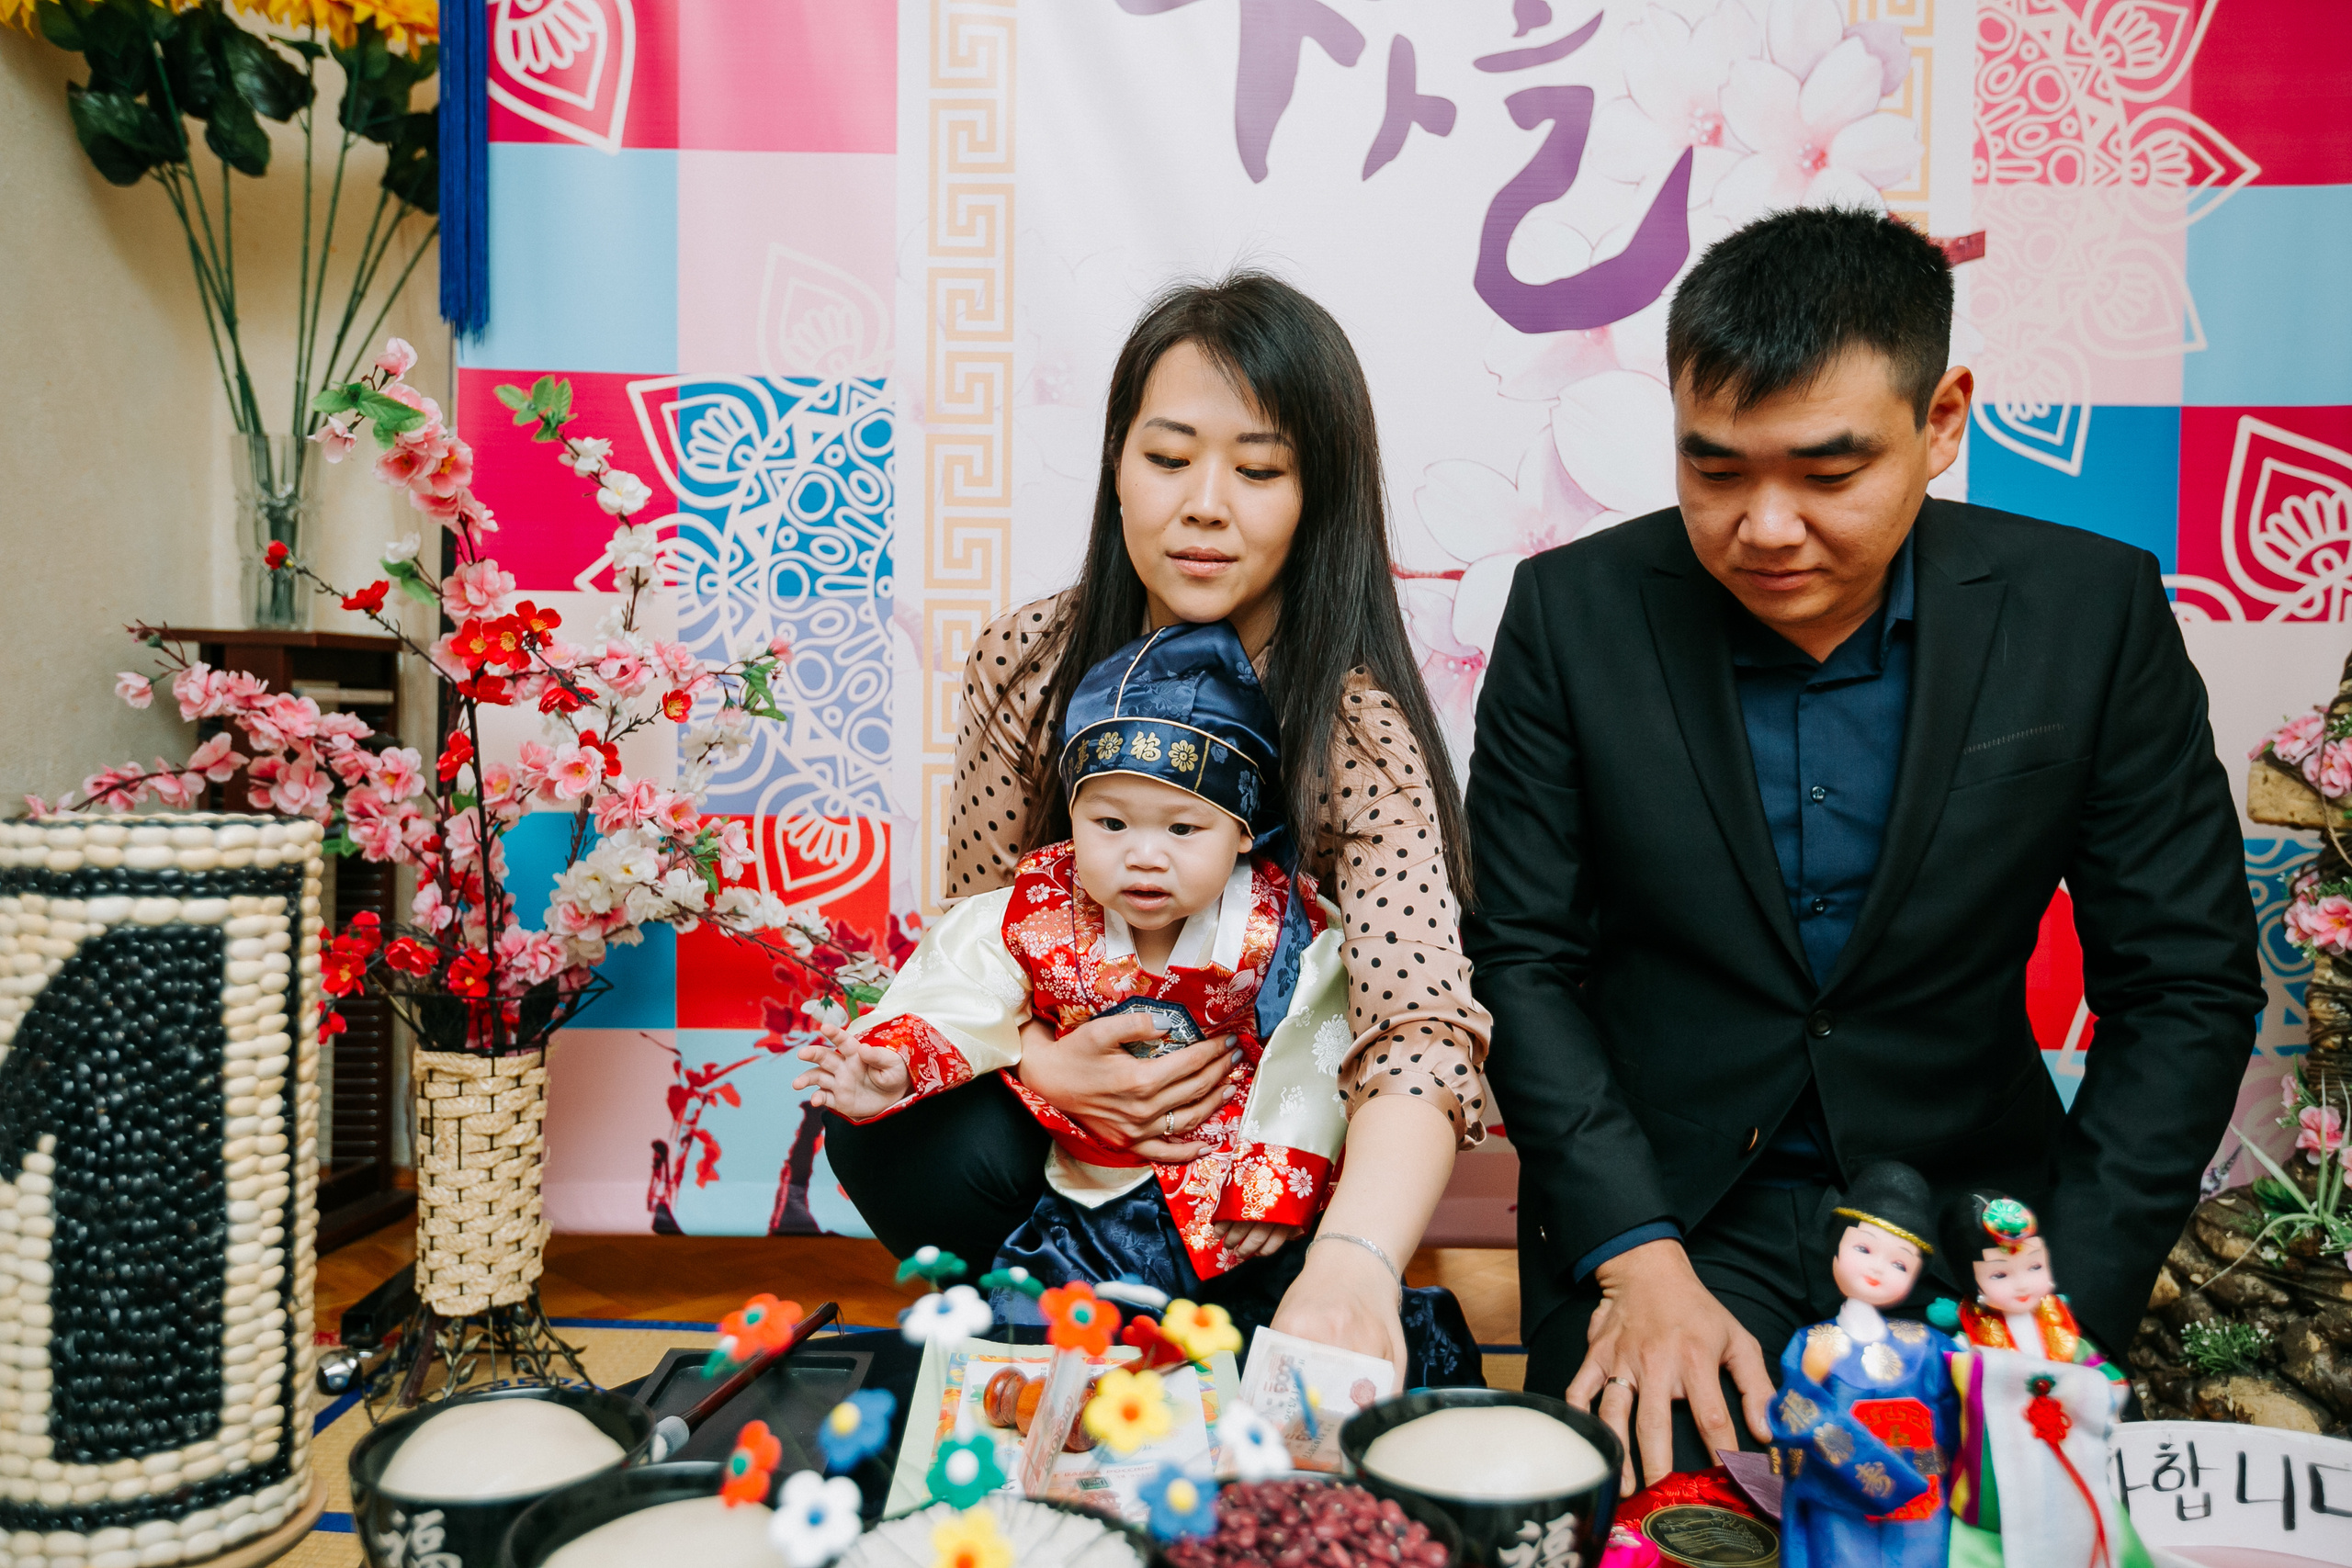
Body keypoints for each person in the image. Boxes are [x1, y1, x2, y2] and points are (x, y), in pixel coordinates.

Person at [1462, 207, 2263, 1488]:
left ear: (1941, 421)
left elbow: (2185, 985)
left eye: (1827, 475)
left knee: (1972, 1531)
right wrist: (1633, 1254)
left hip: (1974, 1227)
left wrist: (2056, 1300)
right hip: (1667, 1222)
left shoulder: (2088, 613)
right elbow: (1520, 957)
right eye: (1716, 471)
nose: (1766, 527)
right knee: (1663, 1518)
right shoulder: (1573, 615)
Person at [825, 271, 1494, 1377]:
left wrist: (1356, 1261)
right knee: (885, 1118)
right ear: (1115, 463)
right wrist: (1044, 1067)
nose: (1205, 506)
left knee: (1300, 1303)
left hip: (1260, 1169)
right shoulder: (1029, 665)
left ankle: (1172, 1330)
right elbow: (976, 931)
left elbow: (1416, 1024)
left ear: (1317, 492)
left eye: (1260, 470)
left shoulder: (1356, 728)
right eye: (1169, 458)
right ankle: (1072, 1326)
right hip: (1064, 1139)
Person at [797, 620, 1351, 1301]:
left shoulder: (1279, 926)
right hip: (1084, 1189)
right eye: (1110, 823)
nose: (1144, 855)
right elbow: (963, 980)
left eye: (1183, 827)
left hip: (1229, 1198)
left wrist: (1272, 1186)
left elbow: (1315, 1050)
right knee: (1059, 1328)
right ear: (1073, 811)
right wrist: (899, 1062)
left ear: (1242, 830)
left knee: (1257, 1328)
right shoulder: (1041, 905)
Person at [1766, 1161, 1955, 1568]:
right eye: (1863, 1249)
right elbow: (1791, 1415)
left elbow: (1954, 1417)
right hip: (1839, 1490)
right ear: (1835, 1247)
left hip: (1920, 1494)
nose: (1877, 1268)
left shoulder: (1927, 1344)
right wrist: (1809, 1380)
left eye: (1899, 1264)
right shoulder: (1812, 1342)